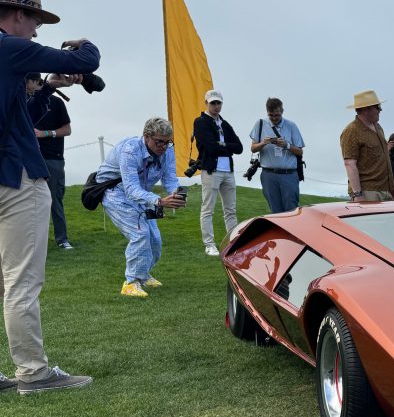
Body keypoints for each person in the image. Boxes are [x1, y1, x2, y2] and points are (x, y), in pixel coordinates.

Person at [0, 0, 96, 394]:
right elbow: (87, 61)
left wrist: (49, 88)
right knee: (21, 281)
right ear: (18, 13)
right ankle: (33, 372)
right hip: (18, 177)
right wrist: (82, 45)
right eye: (35, 19)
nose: (37, 29)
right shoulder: (11, 47)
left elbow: (17, 112)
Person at [96, 117, 185, 297]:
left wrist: (178, 194)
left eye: (167, 142)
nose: (163, 147)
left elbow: (169, 178)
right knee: (140, 233)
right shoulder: (129, 150)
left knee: (155, 239)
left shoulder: (168, 150)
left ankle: (144, 275)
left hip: (144, 194)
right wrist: (159, 201)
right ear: (146, 136)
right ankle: (131, 283)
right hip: (116, 193)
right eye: (159, 142)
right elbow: (130, 189)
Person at [25, 72, 73, 249]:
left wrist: (45, 134)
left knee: (54, 199)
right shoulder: (21, 100)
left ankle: (62, 239)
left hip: (53, 158)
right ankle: (34, 243)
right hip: (29, 158)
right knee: (27, 201)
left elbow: (67, 129)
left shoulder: (57, 103)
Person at [193, 90, 243, 256]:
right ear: (206, 103)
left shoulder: (225, 124)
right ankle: (209, 244)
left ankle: (233, 243)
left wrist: (221, 144)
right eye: (213, 103)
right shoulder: (200, 122)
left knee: (231, 210)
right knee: (208, 208)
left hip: (228, 171)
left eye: (218, 103)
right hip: (211, 170)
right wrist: (225, 146)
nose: (216, 106)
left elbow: (239, 148)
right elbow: (209, 146)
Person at [250, 97, 304, 213]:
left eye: (277, 115)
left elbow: (300, 151)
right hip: (268, 175)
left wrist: (287, 145)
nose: (274, 118)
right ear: (267, 112)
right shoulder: (260, 124)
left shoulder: (291, 126)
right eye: (271, 115)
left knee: (292, 210)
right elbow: (253, 148)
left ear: (282, 111)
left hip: (288, 174)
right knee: (275, 212)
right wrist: (263, 143)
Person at [341, 90, 394, 202]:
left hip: (385, 191)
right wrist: (358, 195)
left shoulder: (378, 127)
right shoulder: (351, 131)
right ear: (366, 109)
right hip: (367, 193)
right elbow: (350, 164)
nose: (380, 110)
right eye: (377, 107)